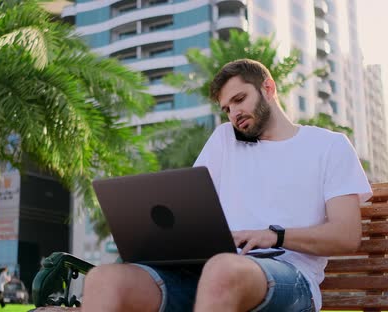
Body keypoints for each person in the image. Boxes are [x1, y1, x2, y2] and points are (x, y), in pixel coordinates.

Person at [81, 59, 372, 312]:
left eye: (240, 99)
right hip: (207, 272)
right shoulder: (224, 140)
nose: (234, 114)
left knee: (222, 268)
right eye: (226, 108)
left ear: (268, 89)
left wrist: (275, 236)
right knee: (104, 279)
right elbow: (187, 207)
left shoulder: (329, 146)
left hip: (290, 277)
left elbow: (346, 235)